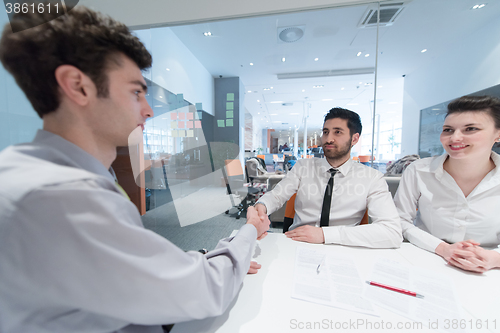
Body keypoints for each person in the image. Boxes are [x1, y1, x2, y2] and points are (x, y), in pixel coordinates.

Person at [0, 6, 269, 333]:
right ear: (78, 86)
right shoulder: (66, 197)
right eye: (136, 91)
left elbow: (120, 270)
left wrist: (194, 261)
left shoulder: (24, 169)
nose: (148, 109)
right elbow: (205, 290)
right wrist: (249, 231)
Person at [255, 108, 402, 248]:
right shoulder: (303, 167)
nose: (328, 139)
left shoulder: (372, 178)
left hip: (344, 246)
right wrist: (261, 207)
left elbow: (392, 232)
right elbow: (276, 196)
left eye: (337, 132)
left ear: (354, 138)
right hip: (298, 243)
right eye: (326, 132)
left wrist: (324, 235)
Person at [394, 95, 500, 273]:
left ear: (497, 134)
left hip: (489, 270)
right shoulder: (418, 170)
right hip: (426, 258)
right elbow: (400, 221)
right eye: (448, 130)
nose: (455, 138)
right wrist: (443, 249)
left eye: (470, 129)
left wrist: (493, 259)